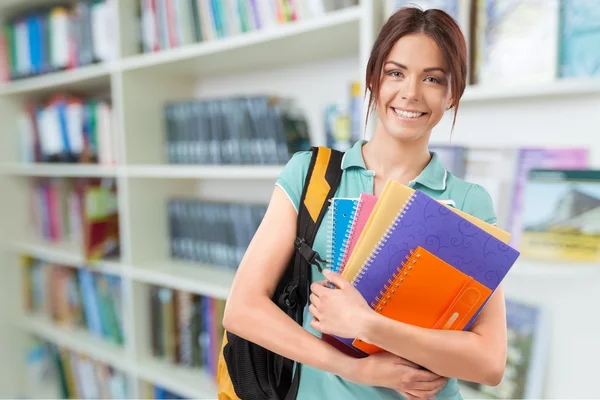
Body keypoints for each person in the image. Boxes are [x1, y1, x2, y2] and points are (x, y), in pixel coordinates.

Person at [223, 6, 507, 400]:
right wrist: (357, 368)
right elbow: (242, 309)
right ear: (373, 79)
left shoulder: (468, 203)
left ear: (452, 94)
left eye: (432, 79)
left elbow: (490, 363)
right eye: (396, 72)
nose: (410, 92)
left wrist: (368, 324)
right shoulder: (312, 175)